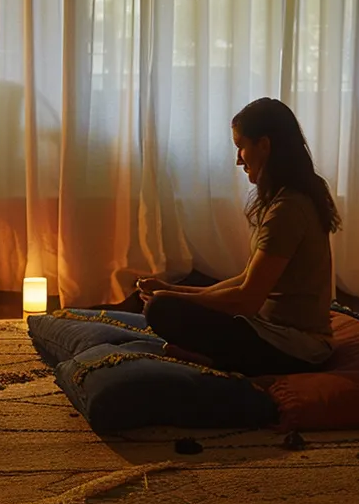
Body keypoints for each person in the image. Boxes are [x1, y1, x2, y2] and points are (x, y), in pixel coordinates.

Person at [138, 97, 340, 376]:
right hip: (269, 329)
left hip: (297, 348)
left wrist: (173, 300)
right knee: (187, 287)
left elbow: (246, 301)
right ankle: (212, 358)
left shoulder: (289, 208)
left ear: (264, 146)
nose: (237, 160)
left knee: (161, 310)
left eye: (240, 147)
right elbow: (246, 279)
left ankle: (216, 363)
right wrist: (172, 289)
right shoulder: (288, 198)